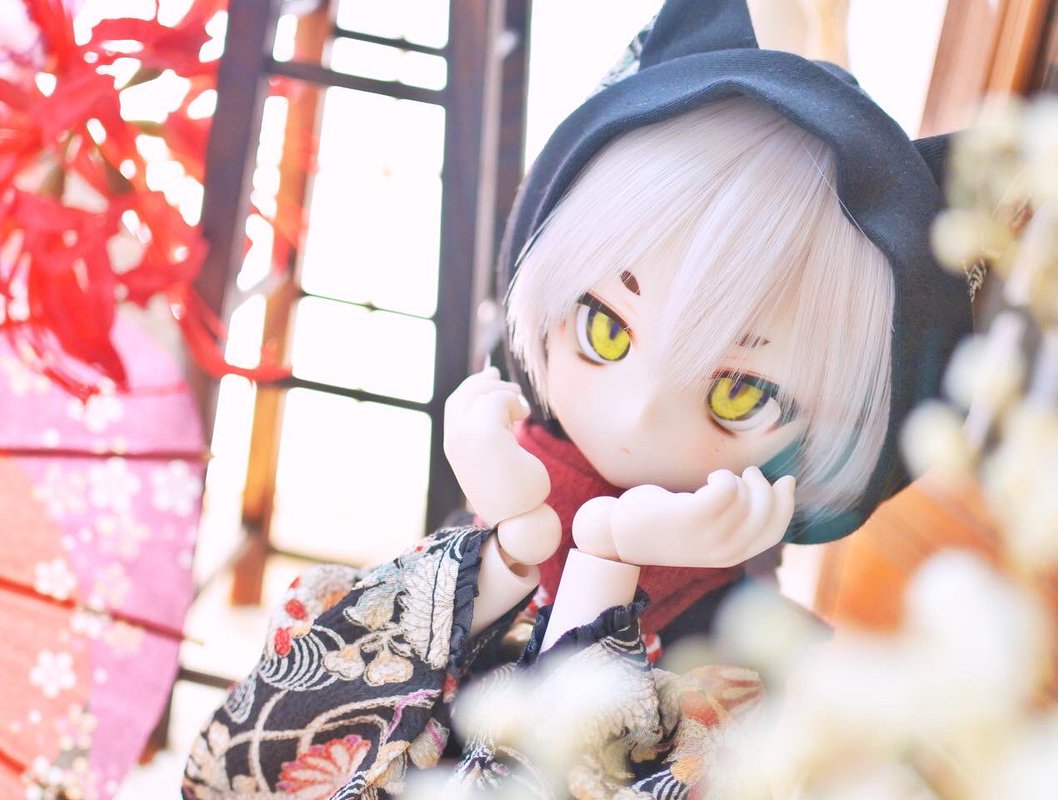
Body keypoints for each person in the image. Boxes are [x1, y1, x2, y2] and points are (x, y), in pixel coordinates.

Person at [182, 1, 971, 797]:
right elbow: (264, 752)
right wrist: (502, 551)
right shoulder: (516, 481)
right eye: (607, 328)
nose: (635, 415)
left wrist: (607, 567)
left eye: (739, 392)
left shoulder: (743, 661)